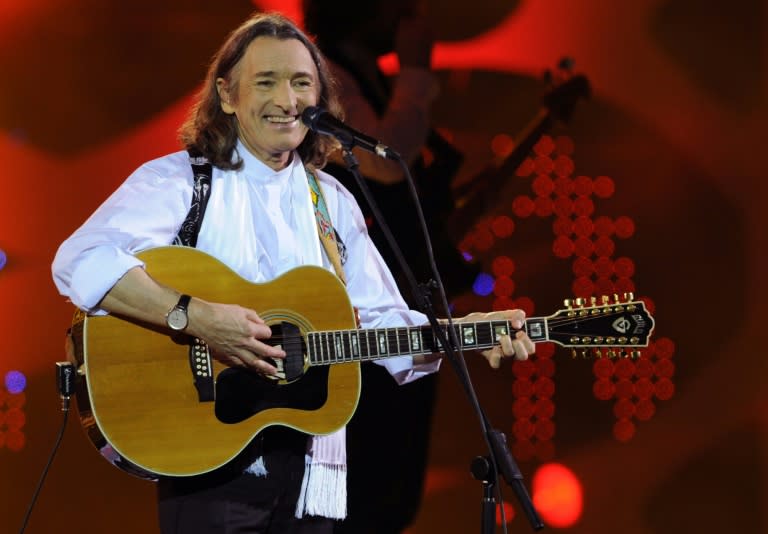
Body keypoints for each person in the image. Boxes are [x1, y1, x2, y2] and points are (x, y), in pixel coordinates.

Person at [52, 11, 534, 534]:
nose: (287, 100)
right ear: (228, 94)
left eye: (301, 83)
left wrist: (464, 336)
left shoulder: (332, 201)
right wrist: (194, 318)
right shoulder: (180, 183)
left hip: (312, 474)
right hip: (210, 459)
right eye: (266, 82)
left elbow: (383, 326)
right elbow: (80, 260)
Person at [302, 2, 471, 532]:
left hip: (399, 296)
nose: (410, 14)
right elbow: (384, 163)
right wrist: (417, 69)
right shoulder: (326, 77)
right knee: (375, 461)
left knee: (399, 460)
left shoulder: (363, 75)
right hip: (360, 307)